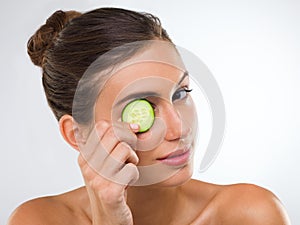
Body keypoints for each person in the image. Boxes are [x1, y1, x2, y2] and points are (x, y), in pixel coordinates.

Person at [8, 7, 290, 225]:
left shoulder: (250, 214)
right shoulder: (38, 219)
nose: (179, 129)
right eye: (142, 106)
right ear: (77, 134)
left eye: (180, 93)